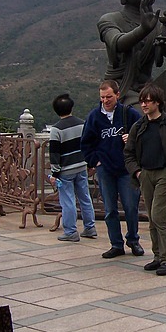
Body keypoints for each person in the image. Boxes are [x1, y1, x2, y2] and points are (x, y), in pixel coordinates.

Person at [124, 84, 166, 276]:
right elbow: (128, 152)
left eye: (147, 101)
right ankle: (158, 256)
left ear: (158, 102)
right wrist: (137, 172)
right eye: (142, 100)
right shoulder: (139, 126)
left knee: (158, 215)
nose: (143, 104)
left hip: (164, 173)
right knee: (152, 217)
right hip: (145, 173)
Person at [80, 80, 144, 259]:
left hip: (126, 169)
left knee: (131, 207)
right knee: (110, 209)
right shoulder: (94, 117)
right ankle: (116, 244)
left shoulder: (129, 114)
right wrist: (95, 161)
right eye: (102, 97)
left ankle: (133, 240)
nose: (105, 100)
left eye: (109, 96)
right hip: (105, 169)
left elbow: (144, 134)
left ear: (117, 95)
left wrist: (132, 137)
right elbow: (86, 143)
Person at [48, 94, 97, 242]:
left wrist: (54, 173)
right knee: (85, 197)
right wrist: (89, 163)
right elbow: (88, 145)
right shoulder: (83, 124)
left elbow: (54, 154)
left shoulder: (56, 130)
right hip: (81, 167)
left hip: (66, 170)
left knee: (67, 200)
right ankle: (90, 227)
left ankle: (70, 231)